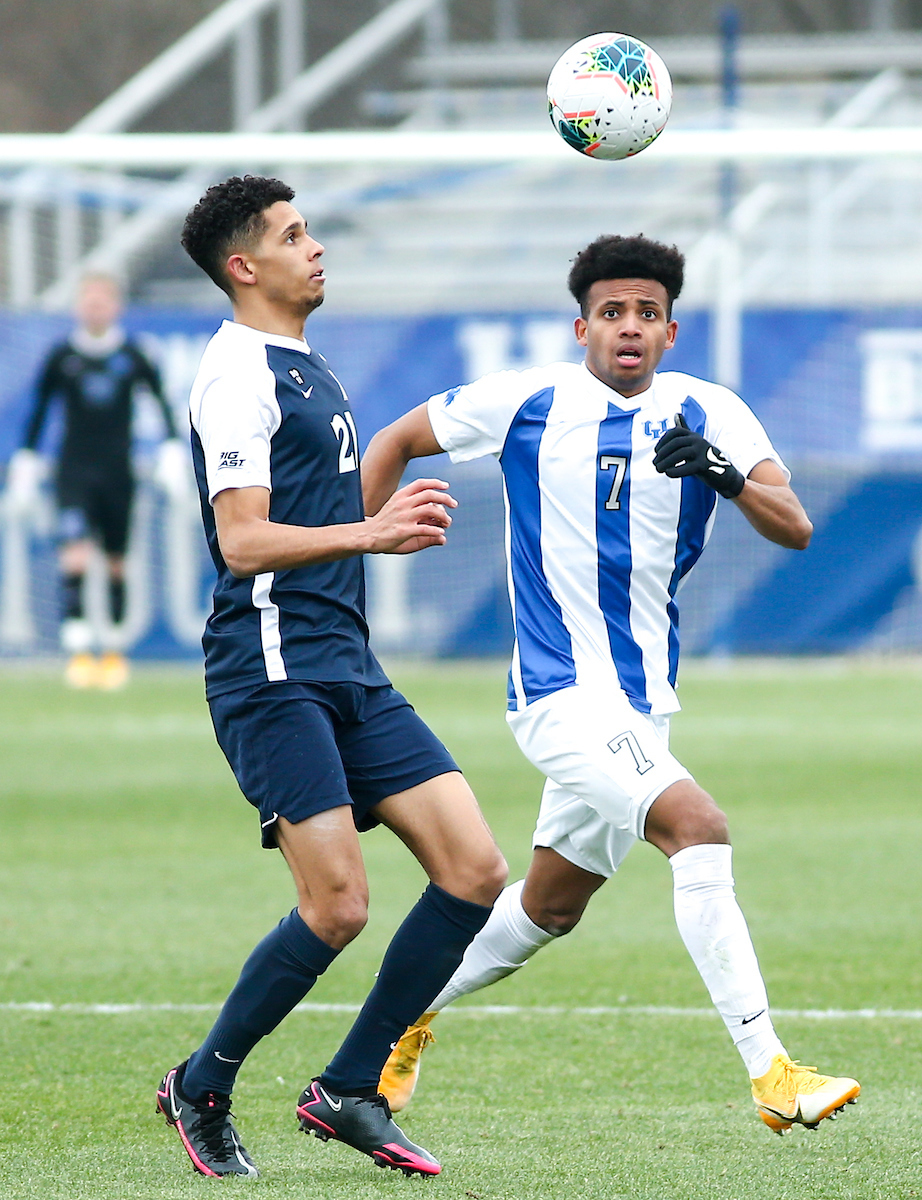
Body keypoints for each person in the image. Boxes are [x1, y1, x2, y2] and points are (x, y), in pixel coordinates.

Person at [361, 233, 860, 1136]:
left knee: (550, 905)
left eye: (647, 313)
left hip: (640, 706)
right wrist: (356, 542)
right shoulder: (526, 399)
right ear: (582, 326)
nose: (628, 328)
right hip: (557, 695)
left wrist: (722, 470)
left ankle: (398, 1025)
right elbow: (396, 439)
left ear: (672, 332)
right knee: (698, 829)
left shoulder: (713, 410)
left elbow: (796, 526)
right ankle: (772, 1073)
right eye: (611, 312)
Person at [158, 174, 507, 1180]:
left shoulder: (307, 366)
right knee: (338, 906)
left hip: (346, 660)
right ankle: (203, 1085)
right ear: (243, 266)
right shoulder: (235, 373)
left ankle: (350, 1088)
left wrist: (381, 512)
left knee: (475, 871)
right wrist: (373, 530)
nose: (316, 248)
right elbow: (241, 540)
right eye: (293, 235)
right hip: (272, 669)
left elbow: (326, 502)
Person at [6, 273, 185, 689]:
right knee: (75, 551)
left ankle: (114, 650)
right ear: (78, 307)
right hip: (74, 470)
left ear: (116, 307)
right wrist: (28, 461)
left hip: (118, 473)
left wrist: (172, 450)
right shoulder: (62, 356)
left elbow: (161, 405)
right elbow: (38, 410)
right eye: (89, 301)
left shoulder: (134, 355)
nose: (96, 309)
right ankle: (79, 649)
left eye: (103, 301)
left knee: (117, 562)